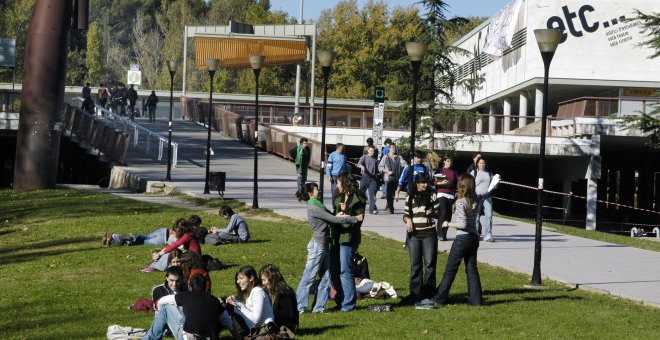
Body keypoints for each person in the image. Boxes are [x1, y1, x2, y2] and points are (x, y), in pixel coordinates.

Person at [415, 175, 483, 309]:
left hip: (462, 238)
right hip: (473, 238)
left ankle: (438, 299)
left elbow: (462, 224)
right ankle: (476, 300)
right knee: (472, 270)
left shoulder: (461, 202)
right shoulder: (474, 200)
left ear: (462, 186)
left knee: (450, 270)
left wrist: (447, 223)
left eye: (458, 183)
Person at [294, 182, 362, 314]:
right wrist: (355, 218)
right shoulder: (314, 207)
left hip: (324, 244)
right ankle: (299, 307)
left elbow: (332, 216)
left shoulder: (318, 205)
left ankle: (318, 307)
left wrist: (342, 213)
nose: (319, 191)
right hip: (317, 246)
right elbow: (333, 220)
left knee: (326, 276)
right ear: (310, 193)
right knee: (309, 276)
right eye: (316, 189)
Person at [143, 274, 232, 340]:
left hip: (188, 337)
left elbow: (162, 300)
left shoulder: (185, 295)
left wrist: (158, 310)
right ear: (205, 287)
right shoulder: (215, 300)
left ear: (189, 287)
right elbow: (228, 321)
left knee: (166, 308)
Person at [399, 172, 441, 306]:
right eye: (423, 182)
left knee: (429, 265)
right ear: (417, 183)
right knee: (415, 265)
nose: (425, 185)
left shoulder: (432, 194)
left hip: (429, 234)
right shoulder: (410, 196)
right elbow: (405, 214)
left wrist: (432, 212)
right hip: (414, 235)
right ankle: (415, 293)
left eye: (426, 182)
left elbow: (439, 212)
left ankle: (428, 293)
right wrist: (408, 220)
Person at [330, 174, 366, 312]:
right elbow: (334, 216)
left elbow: (359, 219)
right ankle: (340, 300)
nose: (337, 185)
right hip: (336, 237)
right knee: (334, 270)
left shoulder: (358, 199)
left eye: (338, 183)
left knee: (346, 270)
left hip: (348, 238)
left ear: (345, 183)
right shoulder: (338, 197)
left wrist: (347, 212)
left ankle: (348, 304)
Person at [226, 266, 276, 337]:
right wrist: (235, 301)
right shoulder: (252, 292)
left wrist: (241, 306)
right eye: (237, 279)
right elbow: (250, 311)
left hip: (264, 331)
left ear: (251, 278)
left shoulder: (257, 292)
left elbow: (255, 320)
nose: (238, 281)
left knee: (228, 310)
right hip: (257, 329)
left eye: (241, 278)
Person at [260, 264, 299, 335]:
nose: (263, 283)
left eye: (264, 280)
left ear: (271, 277)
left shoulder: (283, 292)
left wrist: (270, 314)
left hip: (287, 329)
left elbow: (287, 315)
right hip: (283, 326)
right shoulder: (278, 290)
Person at [102, 218, 185, 246]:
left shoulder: (180, 224)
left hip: (164, 230)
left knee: (144, 236)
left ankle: (115, 237)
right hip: (163, 239)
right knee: (142, 242)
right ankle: (115, 240)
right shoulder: (185, 233)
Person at [470, 158, 495, 242]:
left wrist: (495, 184)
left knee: (489, 216)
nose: (482, 165)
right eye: (480, 163)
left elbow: (493, 185)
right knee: (476, 217)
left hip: (487, 197)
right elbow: (469, 184)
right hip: (477, 197)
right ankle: (476, 234)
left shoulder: (489, 173)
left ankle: (488, 235)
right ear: (477, 164)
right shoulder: (474, 173)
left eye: (483, 163)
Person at [435, 155, 458, 241]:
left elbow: (457, 182)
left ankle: (444, 234)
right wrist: (441, 183)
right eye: (448, 161)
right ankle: (439, 233)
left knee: (448, 214)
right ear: (444, 161)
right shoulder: (440, 170)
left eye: (451, 161)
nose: (449, 163)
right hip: (441, 193)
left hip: (451, 194)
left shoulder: (454, 171)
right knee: (443, 211)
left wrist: (458, 191)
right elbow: (434, 182)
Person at [378, 142, 406, 214]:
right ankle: (391, 208)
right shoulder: (385, 157)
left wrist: (407, 165)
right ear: (389, 149)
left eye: (395, 148)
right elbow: (380, 167)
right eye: (392, 148)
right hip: (388, 178)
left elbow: (404, 165)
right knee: (389, 194)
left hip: (396, 178)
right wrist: (387, 171)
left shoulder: (399, 157)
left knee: (392, 194)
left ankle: (389, 206)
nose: (394, 149)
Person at [357, 145, 380, 214]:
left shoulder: (375, 160)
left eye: (373, 151)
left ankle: (372, 210)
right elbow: (358, 164)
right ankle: (358, 208)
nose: (372, 152)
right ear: (368, 151)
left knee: (372, 194)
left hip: (373, 178)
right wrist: (362, 166)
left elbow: (377, 171)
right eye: (371, 150)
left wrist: (379, 173)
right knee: (361, 193)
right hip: (365, 177)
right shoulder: (364, 157)